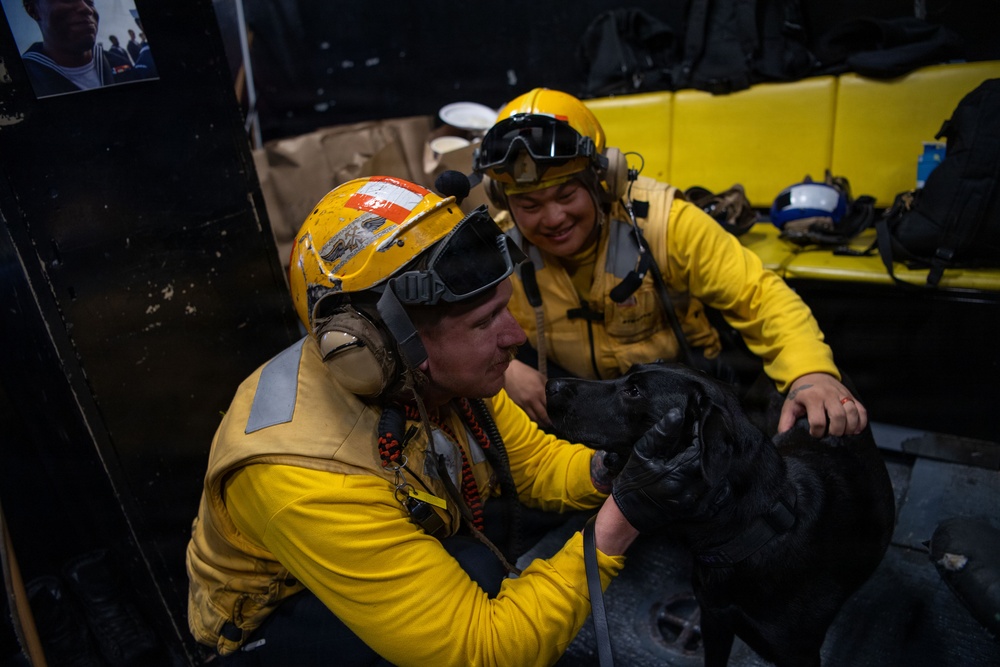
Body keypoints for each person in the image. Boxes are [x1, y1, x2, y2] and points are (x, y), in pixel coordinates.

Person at [186, 176, 679, 666]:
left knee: (476, 562)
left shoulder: (435, 374)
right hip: (273, 629)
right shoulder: (304, 476)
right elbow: (482, 651)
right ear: (379, 346)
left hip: (381, 557)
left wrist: (613, 470)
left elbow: (533, 463)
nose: (513, 337)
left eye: (503, 308)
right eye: (485, 322)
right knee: (477, 569)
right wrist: (618, 525)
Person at [471, 88, 868, 439]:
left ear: (604, 179)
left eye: (566, 194)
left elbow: (760, 295)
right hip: (595, 413)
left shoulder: (664, 223)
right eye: (530, 205)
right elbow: (459, 333)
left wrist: (810, 372)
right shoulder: (501, 248)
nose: (553, 218)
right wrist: (507, 373)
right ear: (505, 201)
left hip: (691, 408)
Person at [19, 0, 115, 97]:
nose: (86, 9)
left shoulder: (120, 61)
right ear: (33, 11)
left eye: (90, 2)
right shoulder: (22, 80)